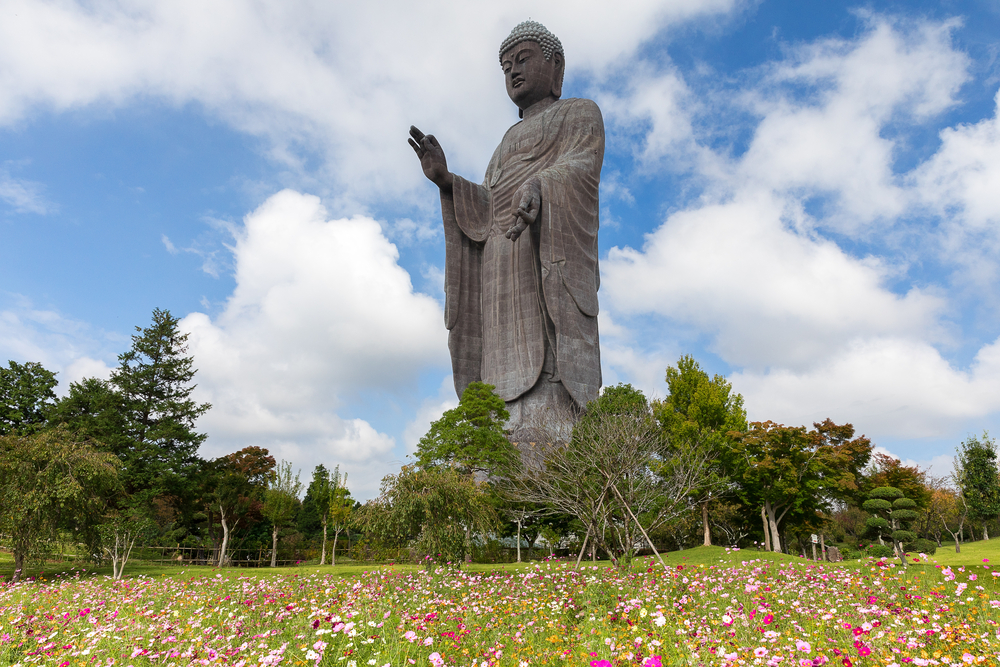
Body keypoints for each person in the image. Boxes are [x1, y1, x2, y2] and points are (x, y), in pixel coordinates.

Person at [409, 20, 603, 430]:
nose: (513, 71)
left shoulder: (579, 113)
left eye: (523, 59)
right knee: (498, 351)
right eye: (505, 66)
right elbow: (486, 204)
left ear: (556, 67)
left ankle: (550, 415)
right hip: (499, 261)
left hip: (541, 246)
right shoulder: (503, 143)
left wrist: (539, 184)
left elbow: (581, 166)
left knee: (545, 350)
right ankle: (498, 424)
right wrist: (447, 180)